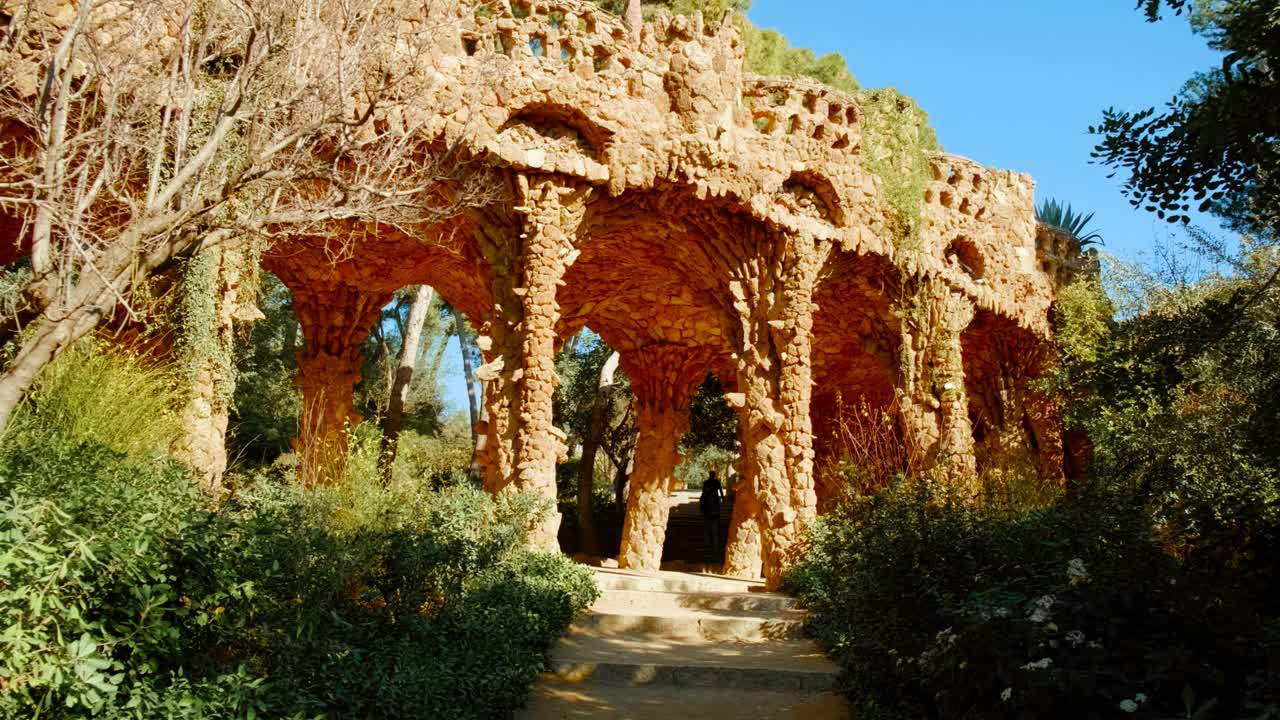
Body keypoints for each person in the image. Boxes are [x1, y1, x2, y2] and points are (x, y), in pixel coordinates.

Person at [699, 471, 726, 556]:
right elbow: (721, 491)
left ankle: (708, 545)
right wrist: (723, 499)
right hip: (714, 507)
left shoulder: (706, 483)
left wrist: (702, 506)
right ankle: (715, 546)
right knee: (714, 527)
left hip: (708, 508)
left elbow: (703, 493)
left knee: (707, 527)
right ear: (714, 475)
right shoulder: (716, 482)